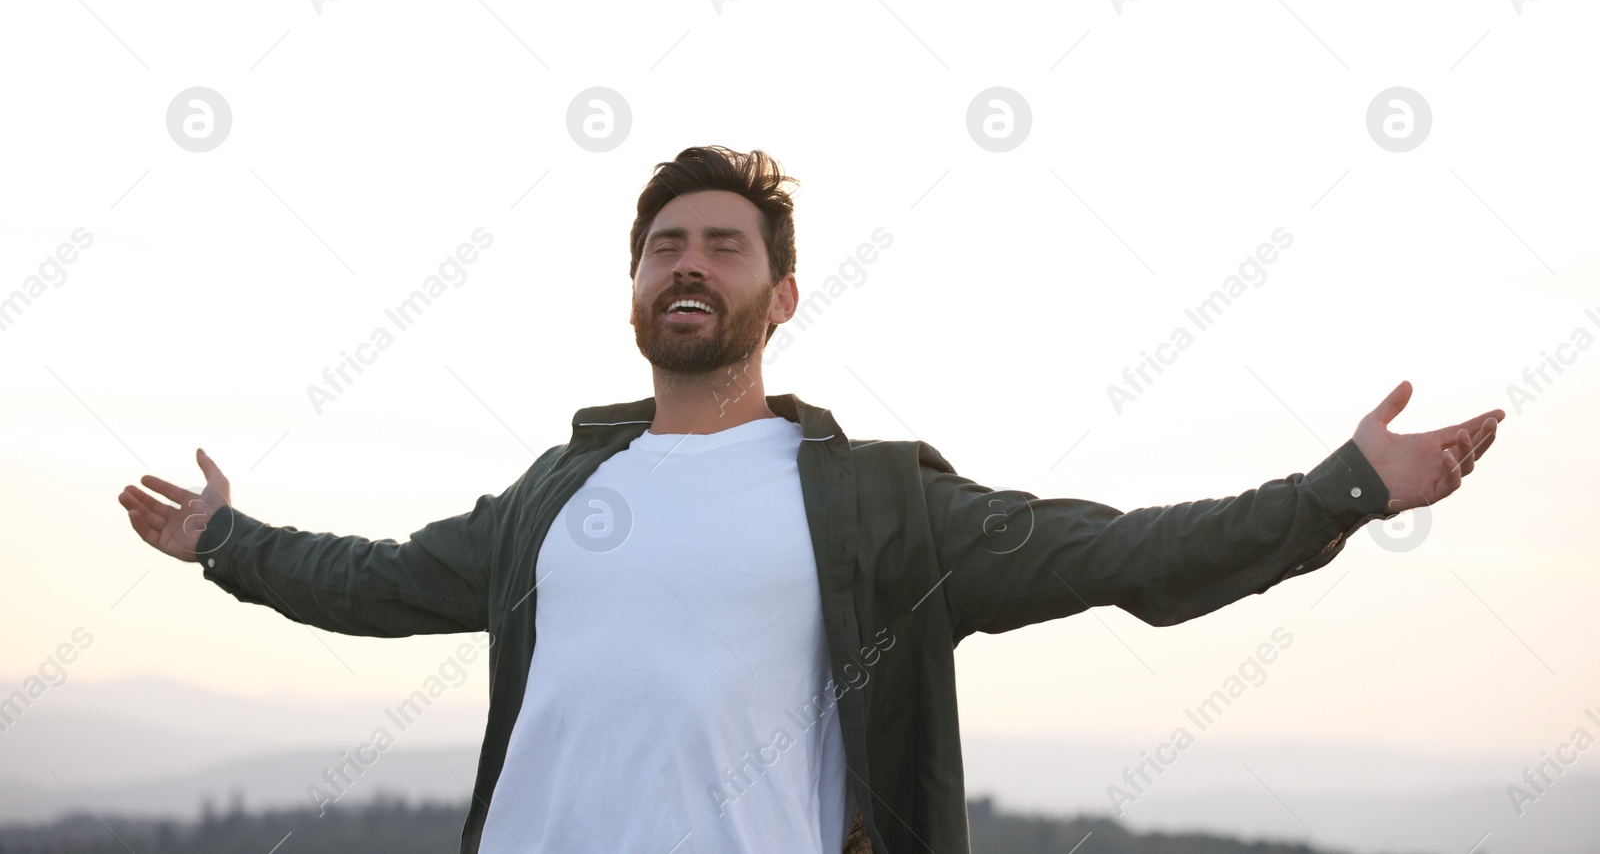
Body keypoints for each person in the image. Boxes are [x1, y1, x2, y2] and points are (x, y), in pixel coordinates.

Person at [117, 146, 1503, 854]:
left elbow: (1124, 557)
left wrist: (1339, 491)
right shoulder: (555, 496)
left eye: (724, 245)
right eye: (666, 244)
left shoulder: (880, 510)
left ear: (779, 297)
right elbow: (377, 583)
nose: (690, 263)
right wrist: (224, 541)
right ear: (635, 291)